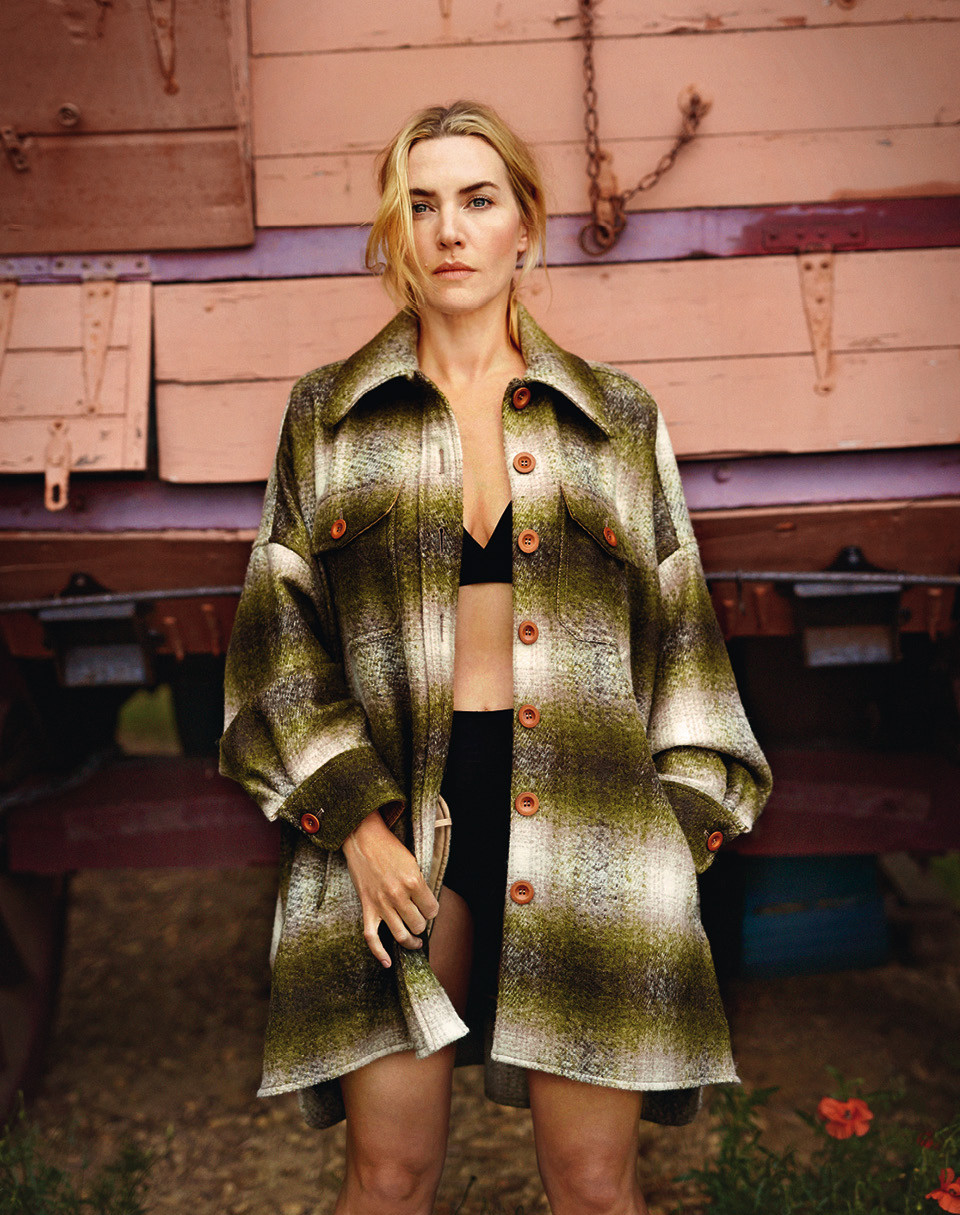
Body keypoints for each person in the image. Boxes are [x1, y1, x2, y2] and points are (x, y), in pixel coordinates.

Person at [220, 100, 772, 1215]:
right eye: (420, 205)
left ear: (527, 222)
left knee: (594, 1184)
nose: (449, 231)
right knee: (387, 1177)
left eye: (477, 201)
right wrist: (357, 828)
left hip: (591, 829)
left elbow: (685, 647)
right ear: (395, 230)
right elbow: (277, 649)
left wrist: (669, 846)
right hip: (395, 830)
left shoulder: (614, 420)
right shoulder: (328, 416)